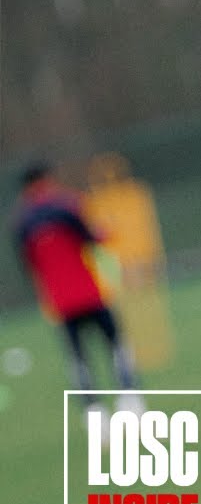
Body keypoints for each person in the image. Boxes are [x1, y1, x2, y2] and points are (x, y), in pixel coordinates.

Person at [11, 162, 142, 418]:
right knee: (117, 345)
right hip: (89, 293)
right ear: (46, 179)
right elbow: (91, 239)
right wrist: (107, 232)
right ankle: (130, 400)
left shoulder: (21, 222)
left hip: (60, 302)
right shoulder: (66, 205)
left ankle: (94, 412)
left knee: (78, 359)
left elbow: (29, 265)